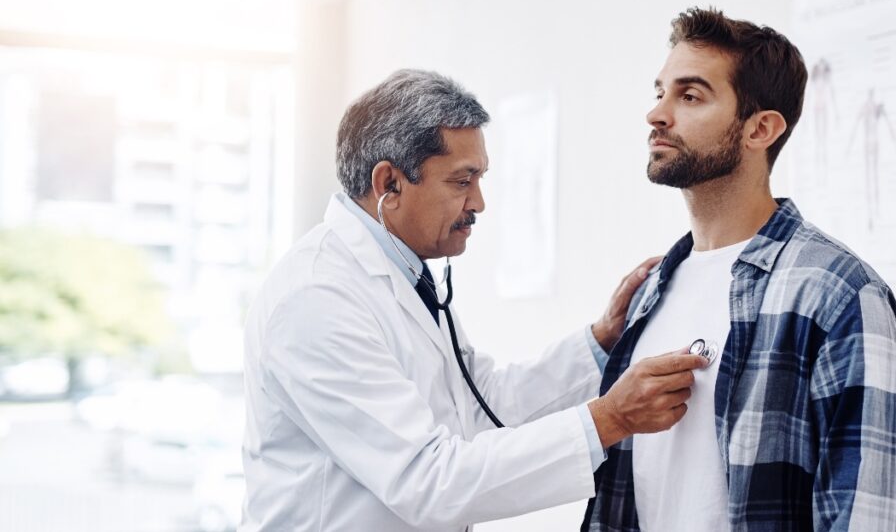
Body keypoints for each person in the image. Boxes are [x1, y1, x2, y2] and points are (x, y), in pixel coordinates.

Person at [239, 69, 707, 531]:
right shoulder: (317, 298)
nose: (479, 203)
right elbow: (427, 481)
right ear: (389, 185)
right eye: (462, 181)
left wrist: (600, 343)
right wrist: (609, 419)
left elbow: (484, 406)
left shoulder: (406, 276)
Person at [581, 8, 896, 531]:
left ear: (761, 128)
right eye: (660, 92)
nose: (657, 115)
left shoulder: (839, 294)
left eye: (689, 96)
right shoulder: (650, 293)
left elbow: (871, 514)